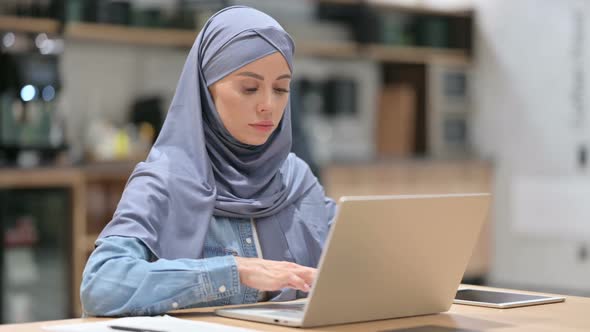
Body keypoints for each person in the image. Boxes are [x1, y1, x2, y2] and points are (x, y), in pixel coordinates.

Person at [80, 6, 336, 317]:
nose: (268, 105)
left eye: (281, 89)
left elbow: (361, 254)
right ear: (205, 91)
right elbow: (101, 284)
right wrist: (234, 272)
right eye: (250, 88)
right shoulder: (164, 181)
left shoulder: (295, 180)